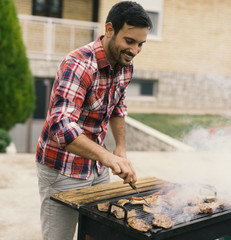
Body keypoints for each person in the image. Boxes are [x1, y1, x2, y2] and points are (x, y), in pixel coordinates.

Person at [35, 2, 152, 239]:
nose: (135, 50)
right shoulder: (78, 64)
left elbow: (118, 107)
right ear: (109, 29)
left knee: (99, 234)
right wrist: (108, 156)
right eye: (130, 41)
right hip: (62, 167)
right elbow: (61, 126)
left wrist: (120, 148)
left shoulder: (125, 64)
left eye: (141, 44)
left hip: (97, 167)